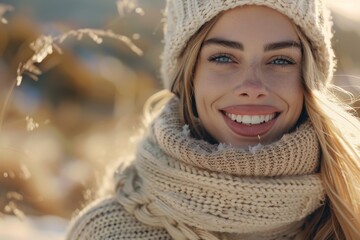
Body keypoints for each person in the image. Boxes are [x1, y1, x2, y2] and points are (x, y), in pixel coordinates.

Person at [66, 0, 360, 239]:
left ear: (309, 79)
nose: (252, 87)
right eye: (223, 58)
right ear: (188, 76)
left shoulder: (351, 215)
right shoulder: (105, 232)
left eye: (281, 60)